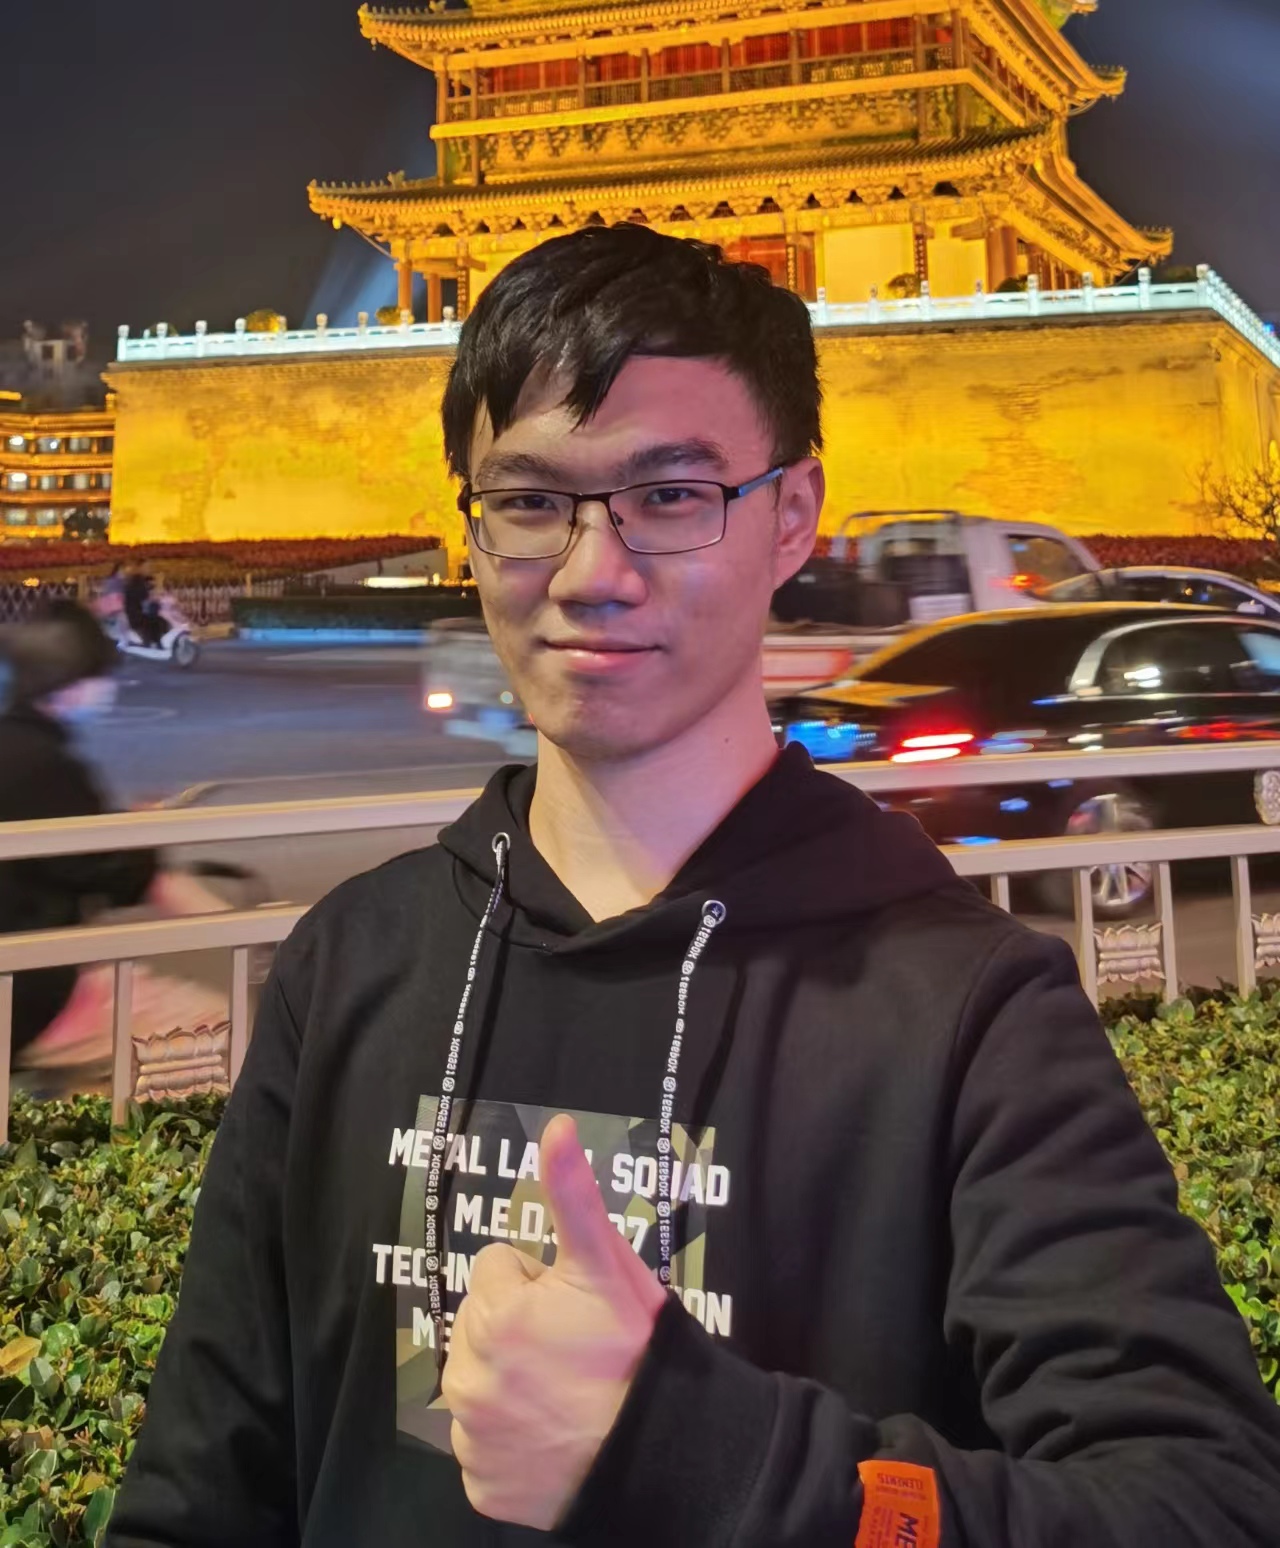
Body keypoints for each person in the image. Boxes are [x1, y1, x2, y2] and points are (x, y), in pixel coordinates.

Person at [109, 226, 1280, 1547]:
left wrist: (702, 1456)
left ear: (791, 517)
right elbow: (197, 1499)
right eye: (529, 501)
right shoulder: (351, 966)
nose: (590, 575)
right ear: (470, 526)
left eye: (671, 497)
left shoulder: (969, 1016)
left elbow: (1206, 1507)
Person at [0, 601, 157, 1065]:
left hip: (20, 969)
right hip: (26, 990)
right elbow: (115, 874)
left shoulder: (16, 746)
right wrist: (141, 835)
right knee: (210, 1022)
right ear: (66, 684)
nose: (108, 689)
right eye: (98, 678)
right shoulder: (47, 766)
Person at [122, 557, 165, 648]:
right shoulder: (137, 581)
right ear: (140, 567)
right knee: (157, 618)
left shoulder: (139, 580)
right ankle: (155, 642)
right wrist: (158, 586)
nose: (148, 569)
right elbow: (145, 599)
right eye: (146, 567)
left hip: (135, 611)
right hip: (136, 614)